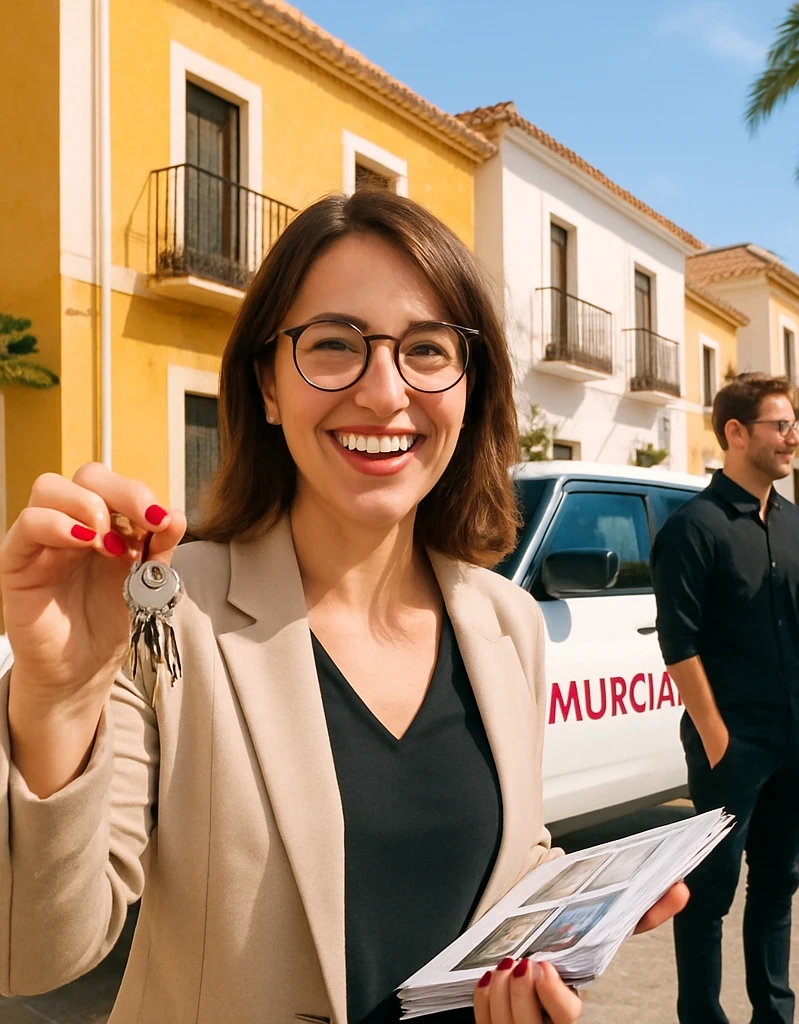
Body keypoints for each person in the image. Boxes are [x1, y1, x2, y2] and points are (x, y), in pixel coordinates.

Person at [0, 191, 686, 1024]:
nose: (385, 392)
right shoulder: (164, 612)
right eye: (333, 346)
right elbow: (31, 954)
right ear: (267, 386)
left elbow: (490, 854)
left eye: (428, 350)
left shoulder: (506, 621)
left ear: (470, 390)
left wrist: (566, 918)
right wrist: (57, 698)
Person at [651, 372, 799, 1024]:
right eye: (780, 425)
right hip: (730, 742)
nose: (794, 437)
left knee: (778, 885)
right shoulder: (695, 528)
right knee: (709, 893)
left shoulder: (796, 526)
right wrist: (718, 740)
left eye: (793, 424)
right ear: (736, 434)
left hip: (794, 736)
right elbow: (678, 644)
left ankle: (775, 1014)